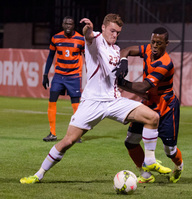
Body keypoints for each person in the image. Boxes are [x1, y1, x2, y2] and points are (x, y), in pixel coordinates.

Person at [20, 14, 171, 184]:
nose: (115, 35)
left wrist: (125, 70)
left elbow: (113, 79)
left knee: (152, 117)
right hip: (92, 102)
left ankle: (149, 163)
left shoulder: (115, 50)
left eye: (118, 32)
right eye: (112, 31)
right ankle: (38, 175)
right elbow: (88, 35)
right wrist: (88, 29)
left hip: (114, 101)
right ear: (104, 28)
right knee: (68, 141)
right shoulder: (96, 39)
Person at [116, 27, 183, 183]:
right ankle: (145, 175)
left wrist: (120, 82)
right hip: (148, 103)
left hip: (166, 108)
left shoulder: (165, 63)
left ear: (166, 44)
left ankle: (179, 167)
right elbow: (126, 50)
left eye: (158, 43)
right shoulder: (147, 49)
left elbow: (143, 87)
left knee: (169, 150)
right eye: (152, 42)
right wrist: (124, 62)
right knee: (131, 141)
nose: (154, 46)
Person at [42, 16, 85, 142]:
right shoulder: (56, 38)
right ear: (62, 24)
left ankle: (77, 134)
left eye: (70, 24)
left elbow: (87, 57)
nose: (68, 26)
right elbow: (50, 57)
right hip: (59, 76)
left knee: (76, 105)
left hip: (74, 76)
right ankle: (52, 133)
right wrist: (45, 75)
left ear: (74, 26)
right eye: (66, 24)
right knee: (52, 100)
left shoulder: (80, 39)